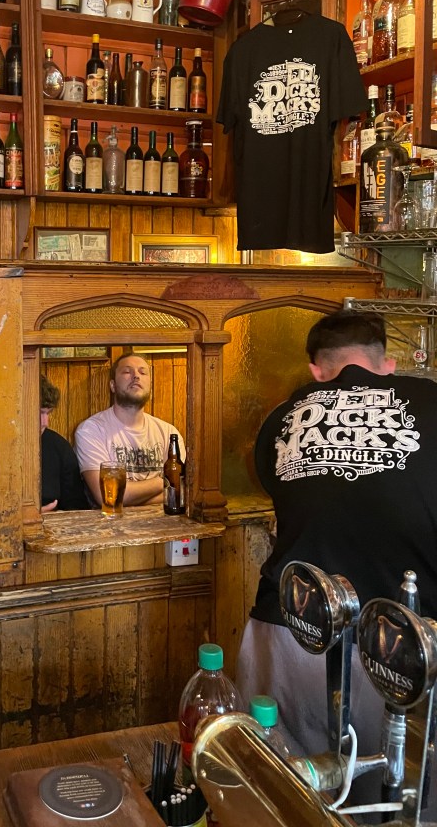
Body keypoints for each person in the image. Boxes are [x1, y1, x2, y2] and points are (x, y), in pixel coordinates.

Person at [236, 308, 437, 765]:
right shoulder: (430, 400)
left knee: (282, 788)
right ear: (387, 364)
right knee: (398, 797)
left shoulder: (284, 416)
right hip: (408, 642)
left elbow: (281, 490)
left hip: (294, 628)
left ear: (316, 371)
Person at [74, 352, 185, 507]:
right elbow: (107, 497)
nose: (136, 376)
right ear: (112, 385)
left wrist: (128, 498)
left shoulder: (169, 433)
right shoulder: (91, 430)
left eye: (142, 372)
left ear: (150, 386)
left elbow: (183, 492)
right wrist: (164, 481)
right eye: (127, 371)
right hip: (109, 527)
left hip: (166, 525)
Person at [39, 375, 90, 512]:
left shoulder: (59, 447)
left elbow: (76, 505)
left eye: (47, 413)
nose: (45, 422)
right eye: (38, 413)